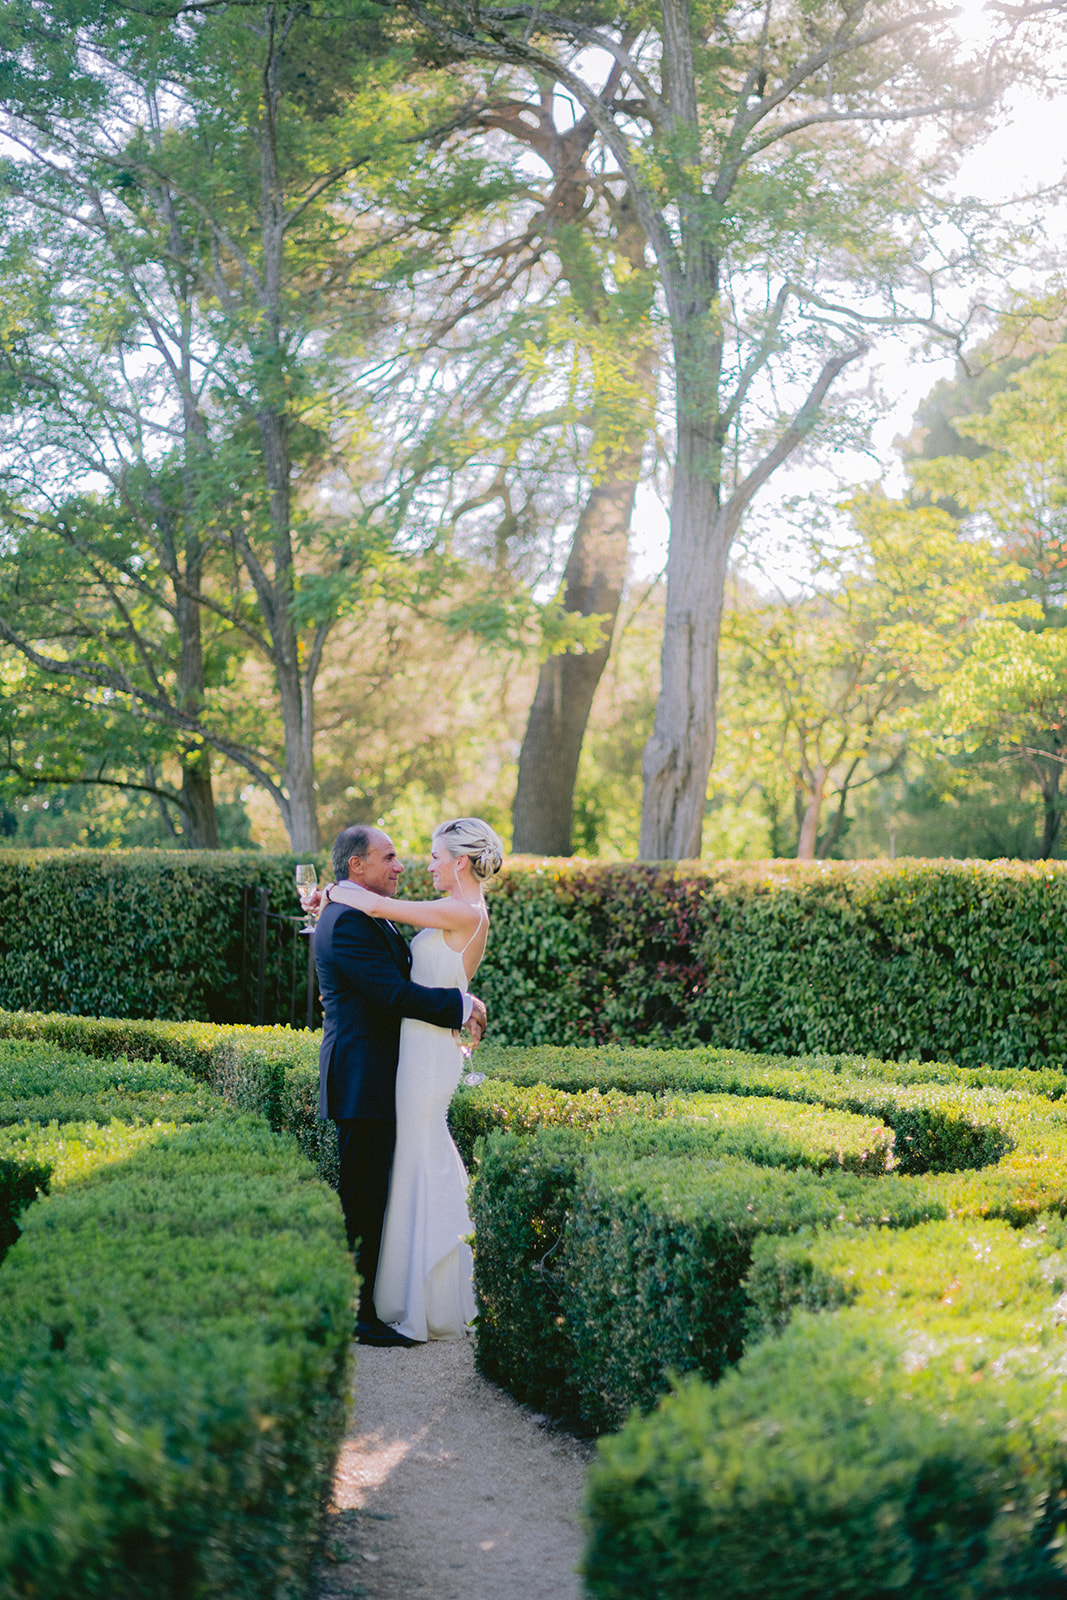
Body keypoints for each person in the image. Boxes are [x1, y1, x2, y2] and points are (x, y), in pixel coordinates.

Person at [326, 816, 503, 1342]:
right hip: (418, 1045)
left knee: (420, 1154)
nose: (423, 864)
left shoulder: (460, 909)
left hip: (427, 1052)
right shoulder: (456, 909)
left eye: (433, 855)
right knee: (408, 1161)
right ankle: (399, 1294)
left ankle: (420, 1299)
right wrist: (462, 1002)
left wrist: (333, 891)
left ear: (461, 863)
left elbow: (377, 906)